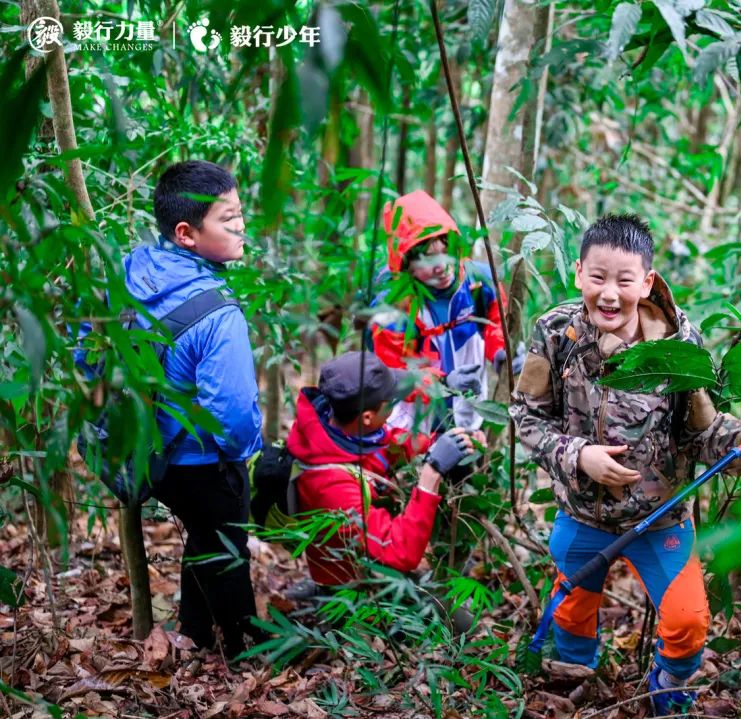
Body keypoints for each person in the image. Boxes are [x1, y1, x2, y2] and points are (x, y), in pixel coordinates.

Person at [509, 215, 741, 717]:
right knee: (572, 617)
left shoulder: (679, 347)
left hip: (660, 520)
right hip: (582, 515)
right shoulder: (556, 332)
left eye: (624, 281)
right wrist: (576, 455)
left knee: (689, 622)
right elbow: (525, 413)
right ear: (578, 273)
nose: (609, 294)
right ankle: (575, 687)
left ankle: (665, 692)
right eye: (598, 277)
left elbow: (702, 434)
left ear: (647, 282)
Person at [131, 160, 264, 658]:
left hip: (148, 451)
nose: (241, 226)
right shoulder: (218, 314)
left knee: (203, 535)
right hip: (199, 459)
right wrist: (246, 451)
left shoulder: (134, 266)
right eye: (228, 218)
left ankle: (194, 630)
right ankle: (242, 647)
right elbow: (230, 416)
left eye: (241, 213)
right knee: (226, 543)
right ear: (186, 234)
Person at [285, 351, 478, 586]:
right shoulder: (331, 486)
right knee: (456, 619)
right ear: (367, 417)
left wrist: (444, 386)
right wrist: (432, 472)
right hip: (352, 587)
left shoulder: (337, 421)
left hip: (369, 552)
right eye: (393, 402)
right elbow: (399, 552)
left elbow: (386, 447)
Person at [370, 190, 519, 433]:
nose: (441, 267)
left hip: (469, 411)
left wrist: (500, 352)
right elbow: (391, 376)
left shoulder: (478, 280)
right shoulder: (392, 309)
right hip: (415, 424)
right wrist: (442, 381)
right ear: (407, 265)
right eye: (427, 260)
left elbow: (495, 322)